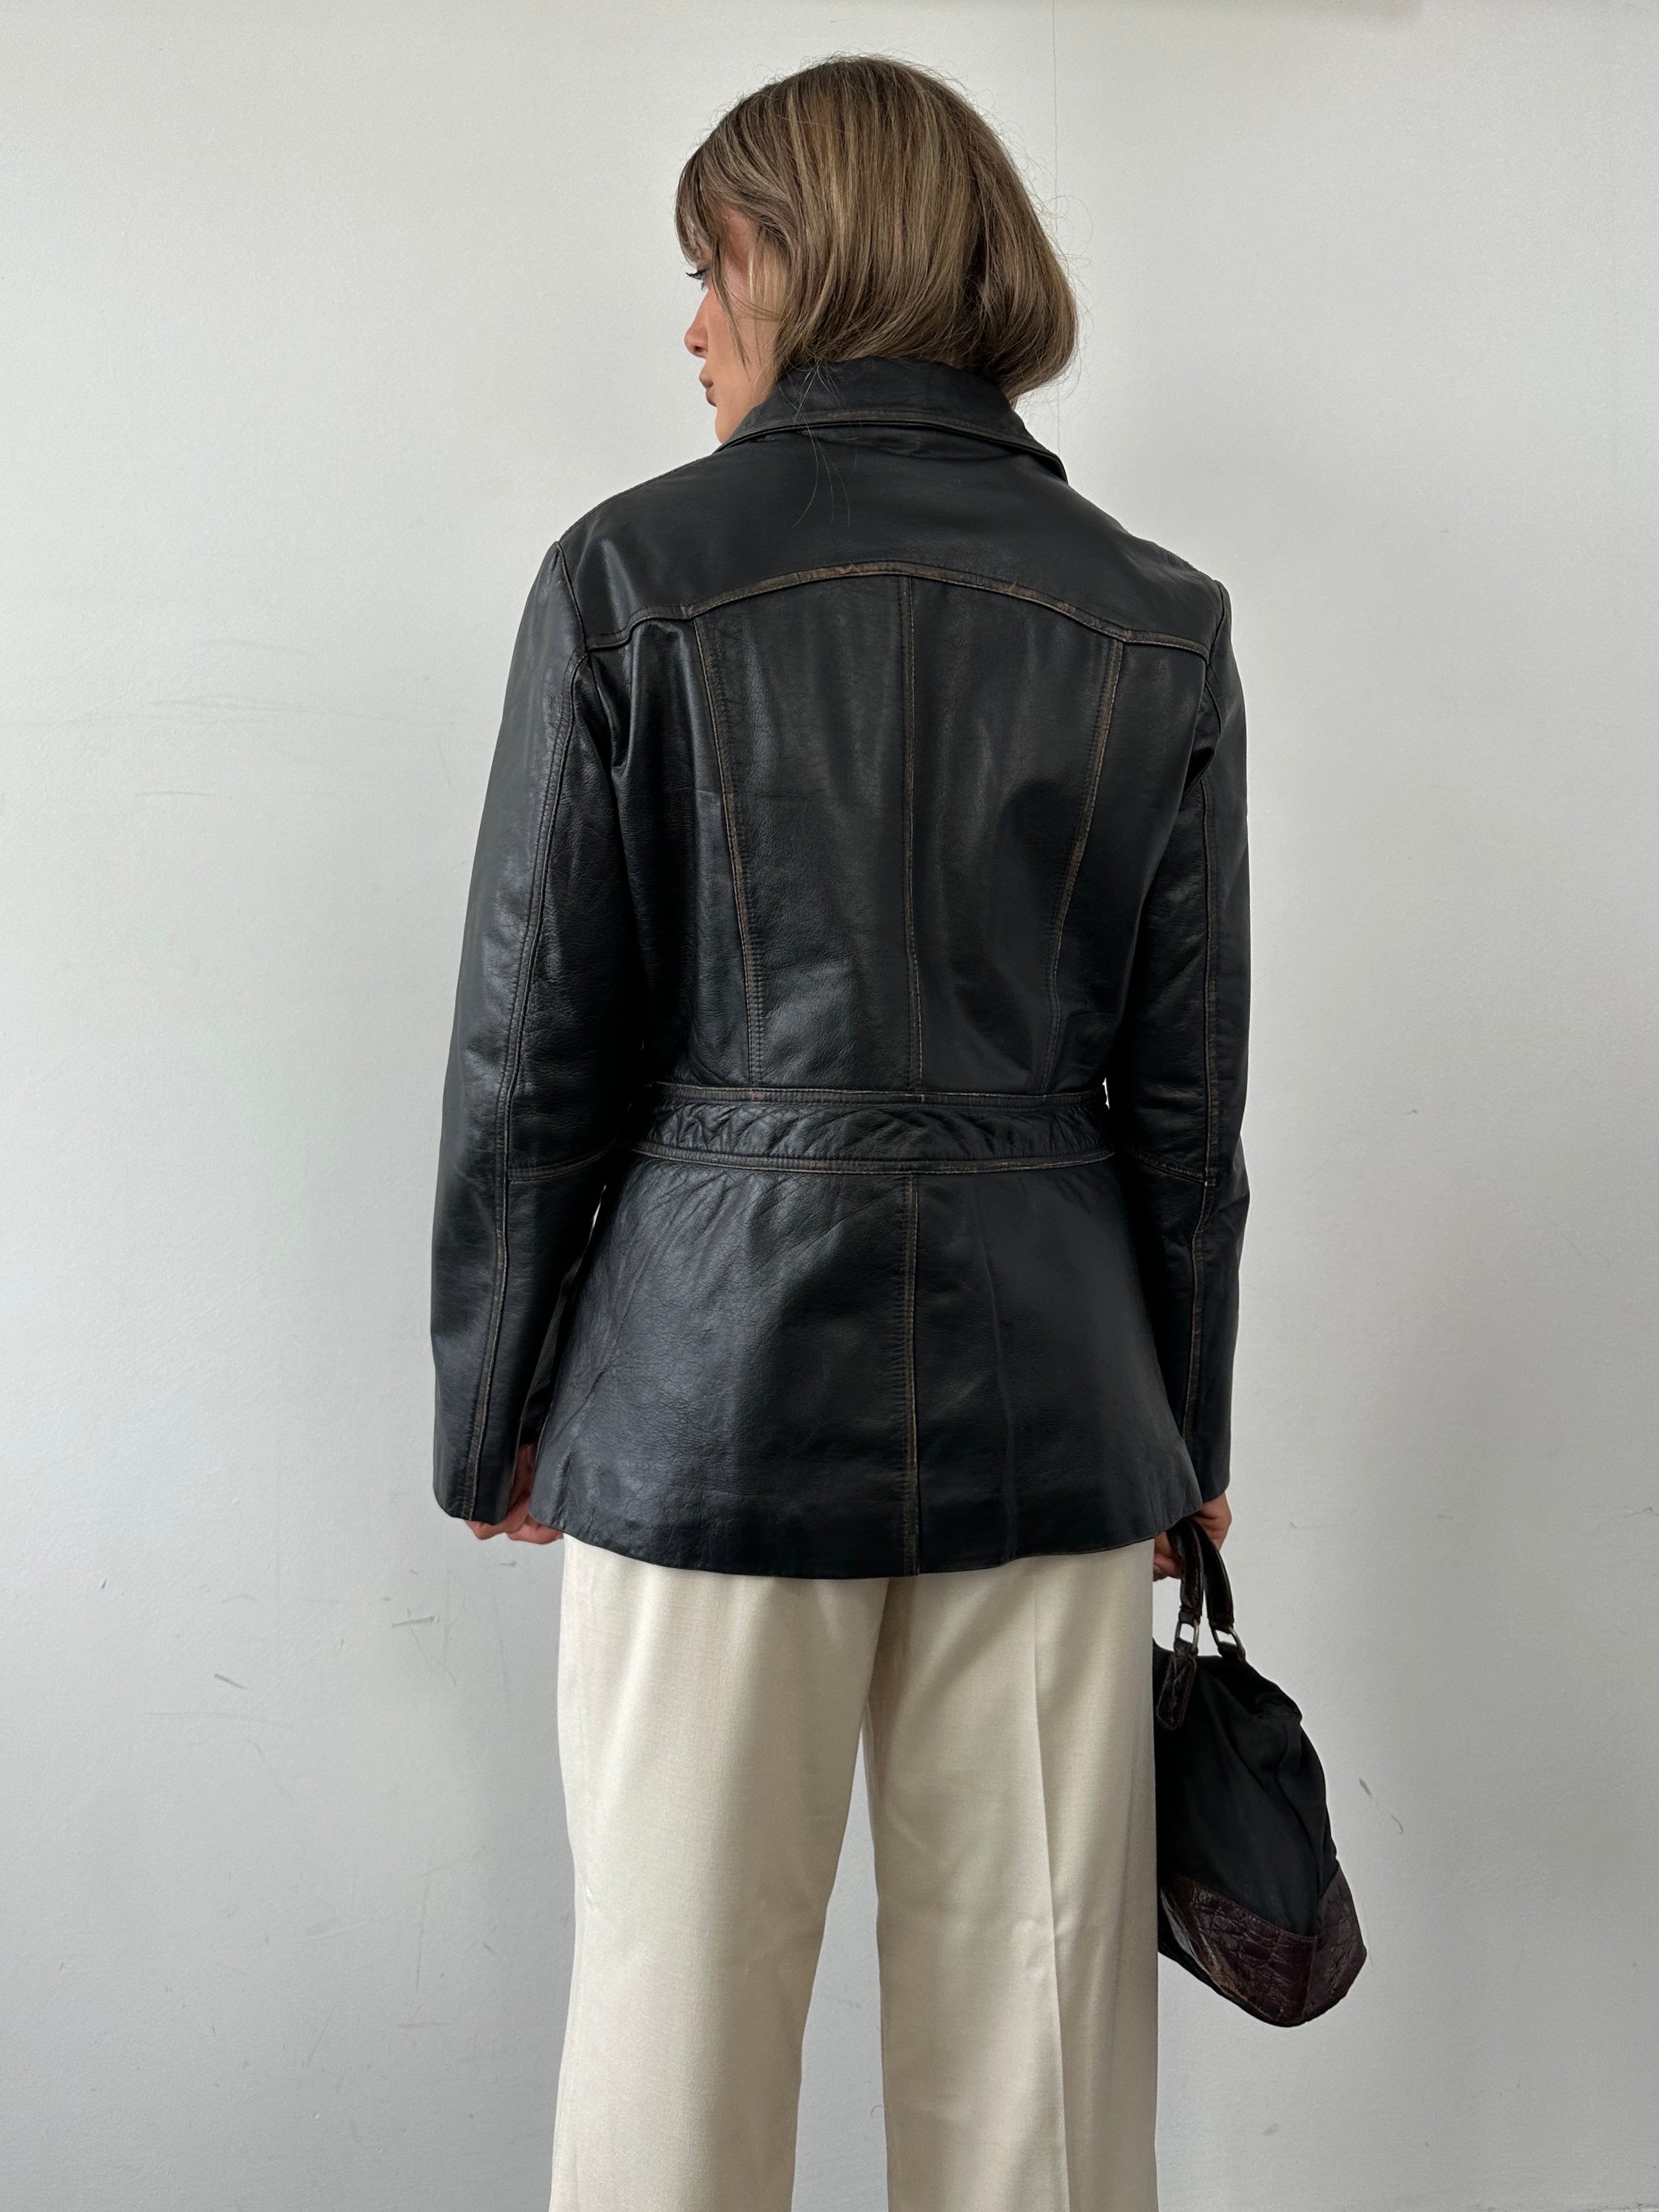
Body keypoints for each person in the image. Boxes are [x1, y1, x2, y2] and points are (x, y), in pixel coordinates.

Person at [430, 53, 1246, 2212]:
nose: (692, 326)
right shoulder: (1153, 615)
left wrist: (493, 1415)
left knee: (674, 2039)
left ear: (798, 255)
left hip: (698, 1401)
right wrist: (1184, 1429)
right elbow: (1185, 1107)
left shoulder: (628, 573)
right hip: (1058, 1407)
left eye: (710, 267)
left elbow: (532, 1051)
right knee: (1041, 2064)